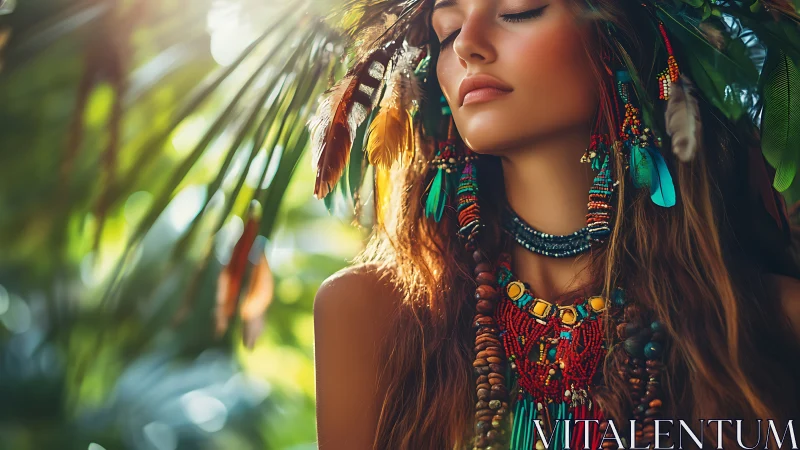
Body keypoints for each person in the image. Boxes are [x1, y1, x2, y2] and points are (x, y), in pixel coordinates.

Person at [311, 0, 800, 448]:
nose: (466, 44)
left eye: (520, 9)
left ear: (621, 35)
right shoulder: (367, 315)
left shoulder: (775, 322)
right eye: (448, 28)